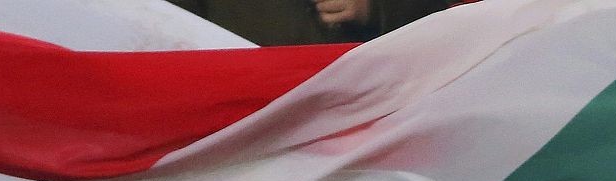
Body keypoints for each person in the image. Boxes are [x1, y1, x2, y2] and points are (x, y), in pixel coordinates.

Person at [166, 0, 447, 44]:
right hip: (238, 108)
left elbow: (441, 14)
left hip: (355, 107)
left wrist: (373, 8)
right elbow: (167, 22)